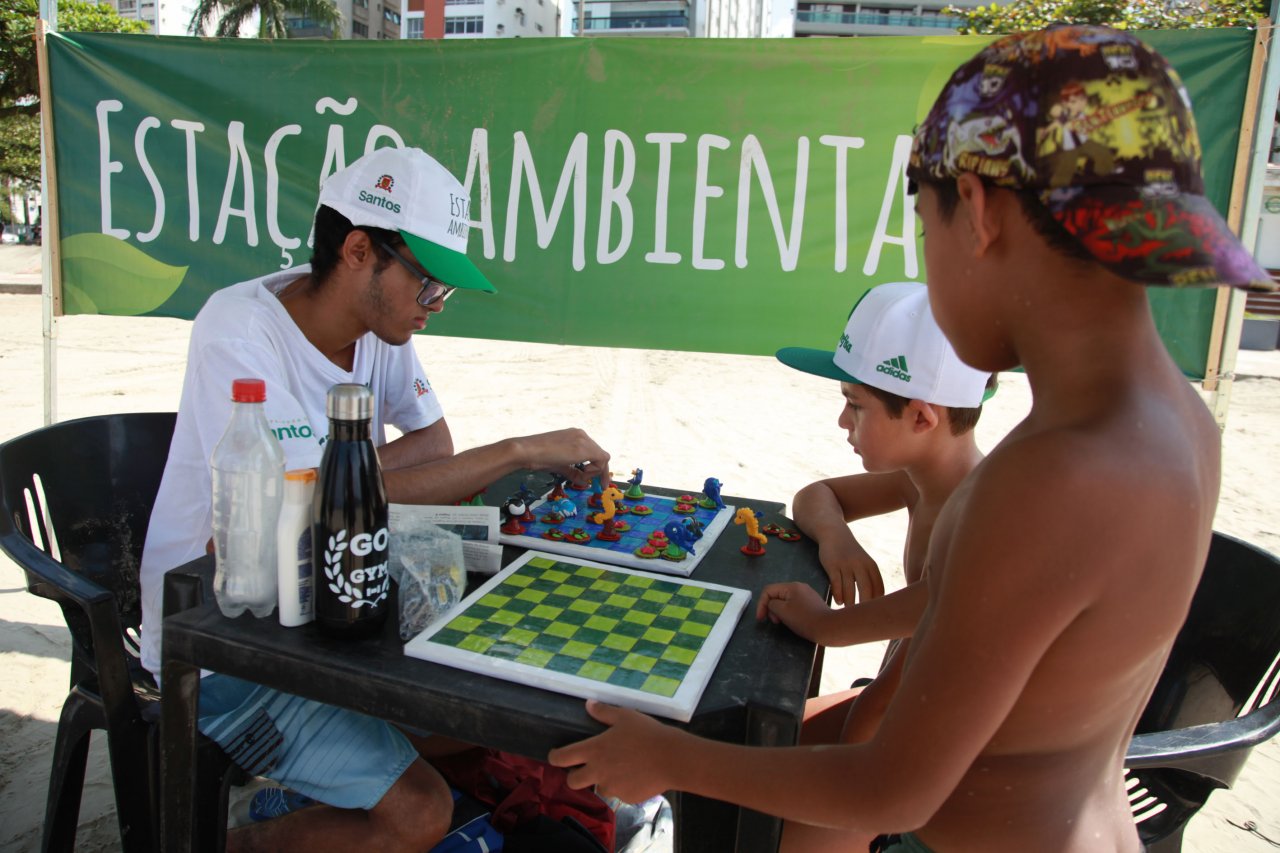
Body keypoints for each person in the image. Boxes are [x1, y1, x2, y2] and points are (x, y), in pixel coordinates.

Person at [548, 24, 1276, 853]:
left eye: (922, 225)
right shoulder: (1182, 419)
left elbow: (893, 785)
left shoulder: (1047, 475)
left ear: (975, 207)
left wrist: (671, 757)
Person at [139, 146, 611, 852]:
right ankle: (232, 844)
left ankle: (305, 797)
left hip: (323, 610)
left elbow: (431, 444)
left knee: (487, 724)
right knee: (421, 811)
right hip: (222, 644)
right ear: (360, 250)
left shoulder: (378, 328)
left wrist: (338, 483)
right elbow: (307, 512)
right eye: (427, 284)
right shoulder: (237, 330)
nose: (435, 307)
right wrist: (516, 450)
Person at [760, 281, 993, 759]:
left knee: (750, 788)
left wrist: (824, 625)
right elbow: (815, 495)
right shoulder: (922, 476)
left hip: (950, 757)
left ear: (922, 418)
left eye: (856, 404)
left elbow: (882, 708)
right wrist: (835, 538)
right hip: (907, 709)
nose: (843, 421)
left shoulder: (978, 525)